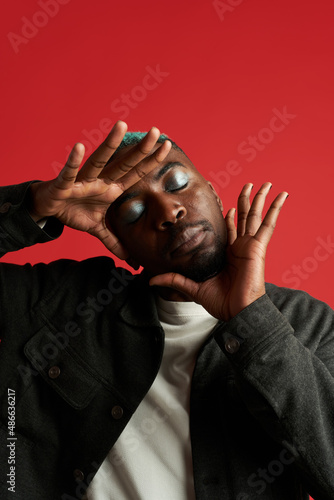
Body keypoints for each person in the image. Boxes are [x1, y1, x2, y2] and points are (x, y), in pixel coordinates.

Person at [0, 120, 333, 500]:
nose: (168, 210)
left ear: (214, 195)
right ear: (120, 244)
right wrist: (30, 209)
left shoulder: (310, 324)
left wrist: (252, 320)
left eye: (176, 184)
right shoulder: (64, 301)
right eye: (134, 212)